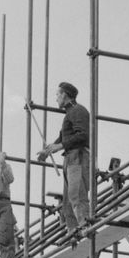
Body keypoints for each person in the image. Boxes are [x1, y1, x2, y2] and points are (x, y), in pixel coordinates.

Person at [37, 81, 91, 235]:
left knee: (76, 193)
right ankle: (73, 229)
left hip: (78, 156)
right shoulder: (70, 113)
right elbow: (62, 137)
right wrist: (48, 151)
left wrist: (59, 147)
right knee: (68, 199)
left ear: (64, 95)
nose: (56, 98)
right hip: (71, 158)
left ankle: (84, 224)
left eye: (57, 95)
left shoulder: (78, 111)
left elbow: (83, 135)